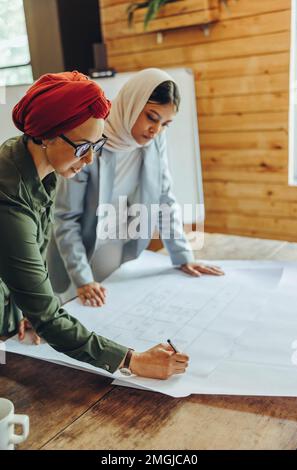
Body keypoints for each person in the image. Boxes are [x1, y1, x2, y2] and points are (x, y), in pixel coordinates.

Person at [0, 70, 189, 380]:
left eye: (96, 146)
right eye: (81, 148)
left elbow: (26, 256)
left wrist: (23, 308)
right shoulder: (8, 196)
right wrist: (134, 360)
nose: (89, 160)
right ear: (48, 134)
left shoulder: (37, 164)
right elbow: (48, 316)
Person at [48, 68, 224, 309]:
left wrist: (183, 257)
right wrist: (83, 279)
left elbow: (164, 199)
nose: (157, 130)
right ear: (132, 104)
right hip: (74, 254)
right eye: (152, 117)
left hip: (118, 245)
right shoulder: (91, 139)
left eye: (165, 124)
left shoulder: (154, 142)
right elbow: (66, 219)